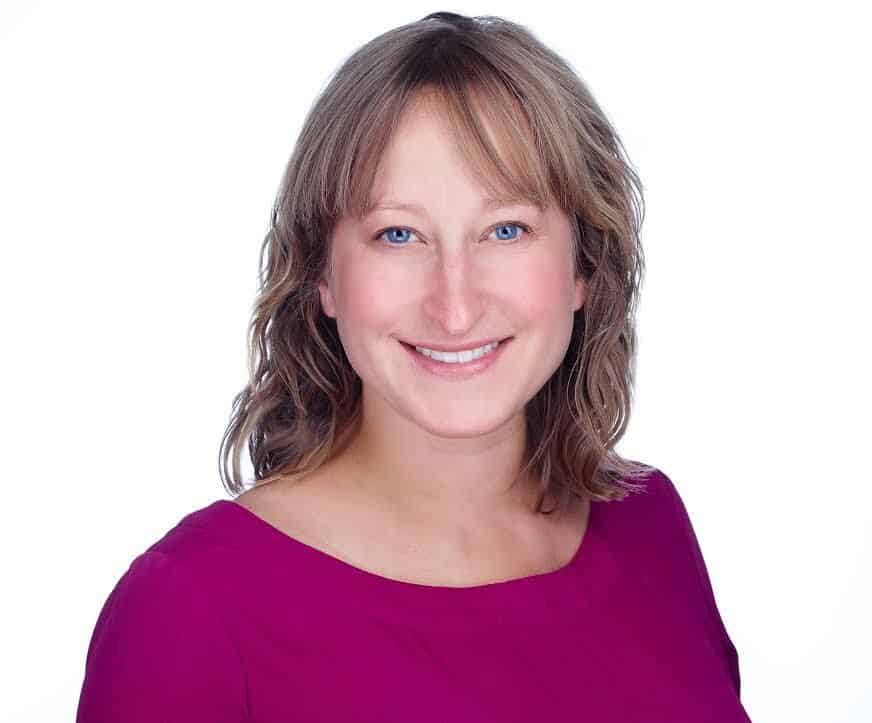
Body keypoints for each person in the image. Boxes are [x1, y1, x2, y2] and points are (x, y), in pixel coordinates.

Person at [76, 11, 751, 722]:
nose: (455, 306)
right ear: (323, 277)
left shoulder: (649, 525)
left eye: (507, 229)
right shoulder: (189, 614)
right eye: (397, 234)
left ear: (584, 266)